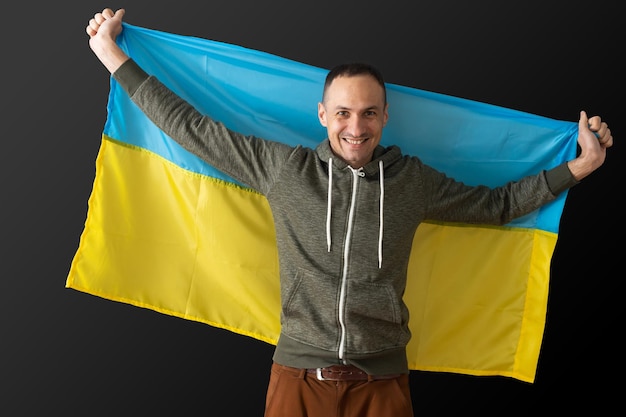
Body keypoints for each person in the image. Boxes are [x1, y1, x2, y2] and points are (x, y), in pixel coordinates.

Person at [85, 8, 613, 417]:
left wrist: (579, 168)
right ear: (322, 115)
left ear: (385, 116)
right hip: (296, 379)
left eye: (367, 113)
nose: (354, 127)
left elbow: (498, 206)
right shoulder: (283, 170)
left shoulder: (414, 183)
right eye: (342, 113)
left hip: (382, 386)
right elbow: (190, 128)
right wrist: (113, 56)